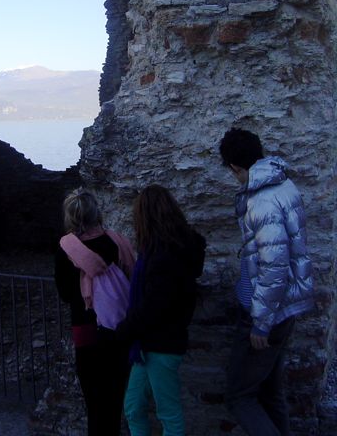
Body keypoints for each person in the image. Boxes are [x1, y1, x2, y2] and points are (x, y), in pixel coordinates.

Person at [219, 127, 314, 436]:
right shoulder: (283, 183)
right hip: (286, 306)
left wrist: (261, 321)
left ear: (235, 167)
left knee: (238, 397)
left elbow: (274, 265)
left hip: (267, 312)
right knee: (269, 391)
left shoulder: (261, 201)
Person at [116, 184, 206, 436]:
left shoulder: (163, 257)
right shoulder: (168, 251)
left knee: (169, 414)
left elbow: (153, 305)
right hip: (150, 344)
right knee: (133, 407)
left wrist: (123, 331)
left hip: (161, 344)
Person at [55, 188, 135, 436]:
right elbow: (132, 275)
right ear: (96, 212)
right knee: (115, 397)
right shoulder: (116, 240)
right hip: (117, 327)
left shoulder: (66, 248)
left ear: (70, 216)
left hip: (85, 328)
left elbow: (66, 294)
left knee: (94, 401)